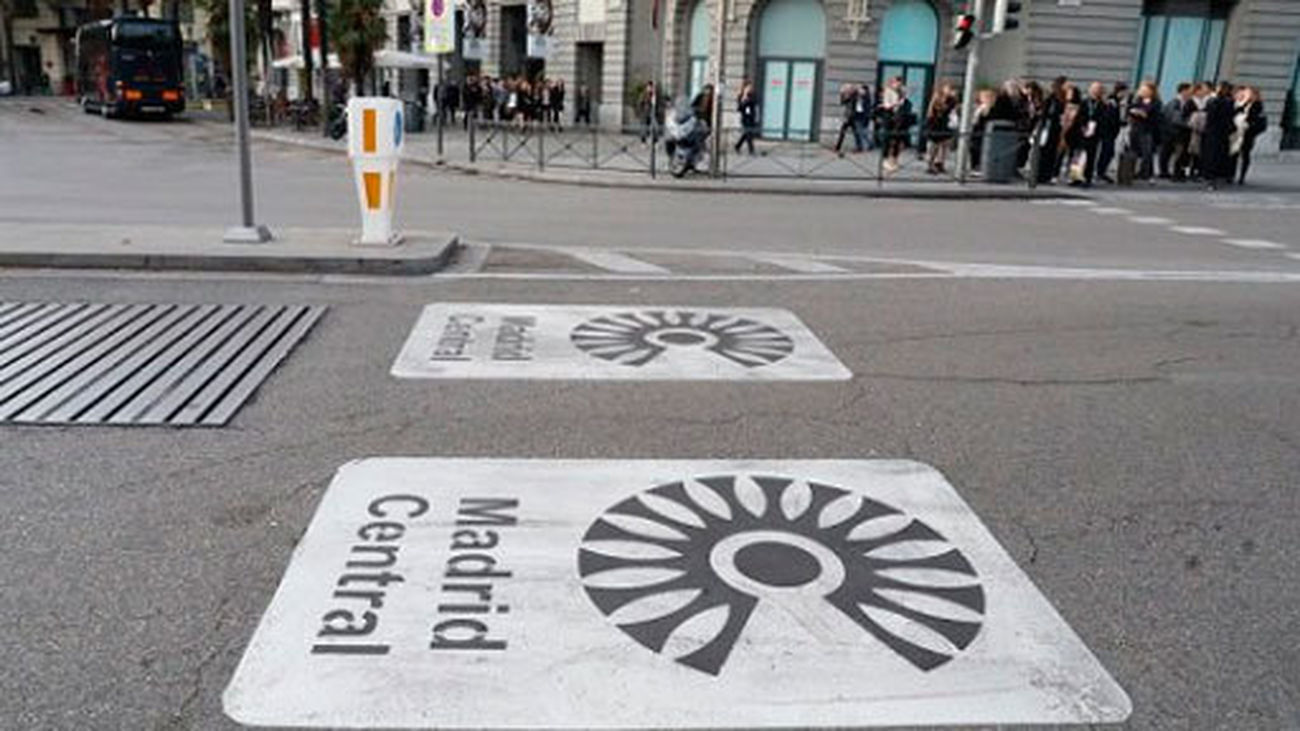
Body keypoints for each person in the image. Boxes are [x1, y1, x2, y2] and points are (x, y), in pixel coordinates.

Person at [1201, 81, 1235, 189]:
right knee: (1217, 156)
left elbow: (1209, 117)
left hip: (1213, 133)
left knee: (1211, 156)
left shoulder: (1215, 101)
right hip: (1222, 133)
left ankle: (1209, 178)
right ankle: (1214, 177)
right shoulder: (1228, 102)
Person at [1127, 81, 1160, 183]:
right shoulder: (1137, 100)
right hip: (1135, 128)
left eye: (1145, 90)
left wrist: (1141, 113)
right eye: (1142, 90)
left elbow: (1151, 114)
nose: (1142, 92)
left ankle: (1146, 172)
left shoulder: (1155, 102)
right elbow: (1130, 109)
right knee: (1134, 150)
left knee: (1147, 152)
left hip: (1147, 130)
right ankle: (1131, 171)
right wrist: (1137, 112)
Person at [1159, 83, 1193, 180]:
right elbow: (1175, 118)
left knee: (1169, 152)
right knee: (1170, 152)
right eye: (1189, 91)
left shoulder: (1183, 102)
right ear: (1183, 91)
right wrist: (1188, 124)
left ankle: (1168, 172)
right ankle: (1167, 172)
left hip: (1174, 132)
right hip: (1173, 132)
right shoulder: (1175, 103)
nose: (1191, 93)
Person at [1234, 86, 1266, 185]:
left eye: (1248, 93)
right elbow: (1237, 111)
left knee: (1245, 154)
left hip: (1248, 133)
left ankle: (1242, 176)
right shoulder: (1246, 103)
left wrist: (1248, 124)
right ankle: (1232, 174)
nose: (1246, 95)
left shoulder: (1258, 105)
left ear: (1254, 95)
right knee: (1236, 154)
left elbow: (1255, 119)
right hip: (1240, 132)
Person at [1095, 82, 1126, 183]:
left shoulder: (1115, 101)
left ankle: (1100, 171)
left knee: (1107, 152)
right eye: (1124, 92)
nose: (1125, 95)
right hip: (1108, 131)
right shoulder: (1112, 101)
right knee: (1107, 152)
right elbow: (1110, 117)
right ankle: (1100, 172)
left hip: (1110, 131)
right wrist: (1120, 122)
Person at [924, 82, 959, 175]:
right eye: (949, 89)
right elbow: (940, 109)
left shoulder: (952, 100)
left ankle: (940, 162)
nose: (950, 91)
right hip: (935, 124)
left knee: (944, 144)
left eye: (951, 89)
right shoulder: (937, 98)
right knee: (934, 145)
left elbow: (952, 110)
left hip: (944, 124)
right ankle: (930, 164)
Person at [834, 83, 864, 154]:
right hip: (850, 116)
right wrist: (842, 94)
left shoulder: (854, 96)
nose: (847, 90)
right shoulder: (853, 96)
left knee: (845, 132)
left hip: (850, 116)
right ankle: (859, 147)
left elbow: (844, 102)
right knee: (854, 132)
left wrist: (842, 93)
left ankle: (838, 147)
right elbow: (842, 102)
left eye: (848, 89)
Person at [735, 81, 759, 155]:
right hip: (745, 118)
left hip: (751, 117)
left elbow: (755, 104)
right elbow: (739, 108)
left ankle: (737, 146)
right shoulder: (741, 96)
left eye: (751, 87)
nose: (750, 89)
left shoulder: (753, 95)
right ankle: (751, 150)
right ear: (744, 88)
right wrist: (744, 99)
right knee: (748, 134)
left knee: (747, 133)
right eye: (748, 87)